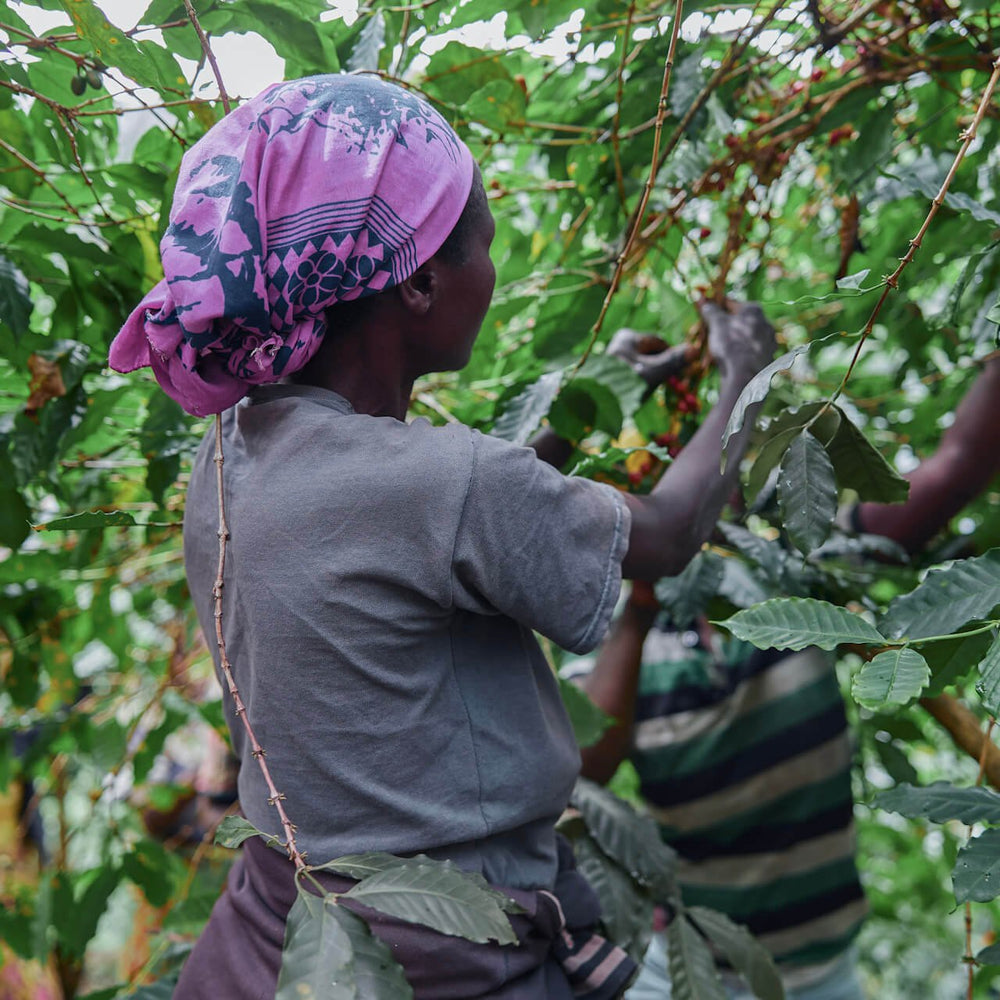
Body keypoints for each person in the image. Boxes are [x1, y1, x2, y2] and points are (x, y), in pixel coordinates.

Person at [108, 73, 775, 999]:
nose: (492, 274)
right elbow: (657, 537)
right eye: (486, 248)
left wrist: (573, 422)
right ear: (421, 281)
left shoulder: (231, 453)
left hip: (282, 939)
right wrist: (749, 378)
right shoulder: (445, 485)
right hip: (449, 957)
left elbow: (423, 530)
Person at [575, 355, 1000, 1000]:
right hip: (690, 972)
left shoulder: (799, 564)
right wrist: (640, 599)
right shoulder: (609, 622)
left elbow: (952, 474)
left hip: (823, 970)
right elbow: (587, 760)